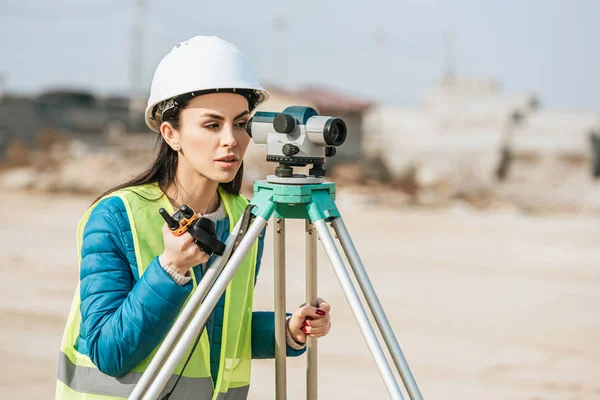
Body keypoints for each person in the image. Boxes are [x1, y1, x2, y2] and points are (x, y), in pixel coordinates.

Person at [56, 35, 332, 400]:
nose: (231, 140)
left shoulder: (246, 219)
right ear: (172, 134)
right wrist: (169, 269)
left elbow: (215, 329)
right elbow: (109, 352)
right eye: (212, 124)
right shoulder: (116, 216)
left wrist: (286, 330)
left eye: (241, 123)